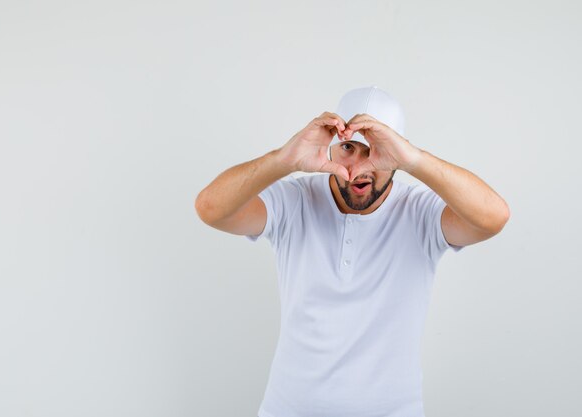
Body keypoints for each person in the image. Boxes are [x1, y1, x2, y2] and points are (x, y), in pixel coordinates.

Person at [195, 86, 510, 417]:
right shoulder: (294, 201)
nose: (360, 168)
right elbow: (211, 208)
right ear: (333, 145)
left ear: (398, 154)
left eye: (376, 151)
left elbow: (494, 216)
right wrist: (283, 159)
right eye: (349, 148)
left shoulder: (421, 213)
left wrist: (415, 160)